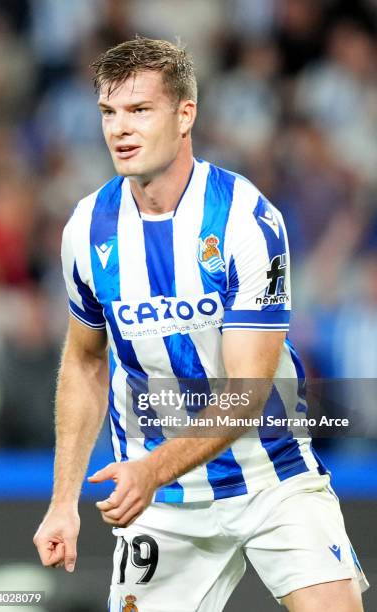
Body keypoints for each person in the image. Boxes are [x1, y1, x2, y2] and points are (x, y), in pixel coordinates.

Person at [33, 37, 368, 611]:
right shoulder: (87, 229)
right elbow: (85, 359)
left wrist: (149, 471)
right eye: (109, 113)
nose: (120, 129)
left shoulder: (246, 219)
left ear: (185, 114)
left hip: (272, 477)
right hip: (161, 504)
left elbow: (247, 392)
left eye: (140, 110)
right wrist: (63, 500)